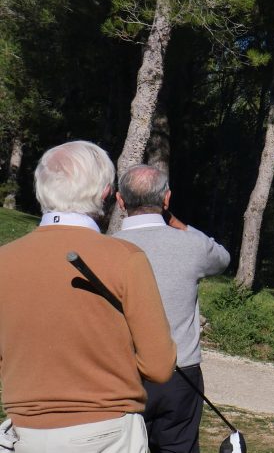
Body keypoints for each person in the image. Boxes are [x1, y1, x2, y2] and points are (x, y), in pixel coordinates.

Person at [0, 141, 176, 452]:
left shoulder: (5, 260)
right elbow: (160, 367)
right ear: (106, 192)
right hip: (107, 429)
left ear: (41, 188)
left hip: (26, 430)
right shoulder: (125, 258)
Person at [112, 164, 231, 453]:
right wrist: (175, 221)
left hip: (121, 372)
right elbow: (223, 259)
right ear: (167, 199)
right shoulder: (191, 246)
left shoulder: (105, 247)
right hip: (180, 374)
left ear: (119, 200)